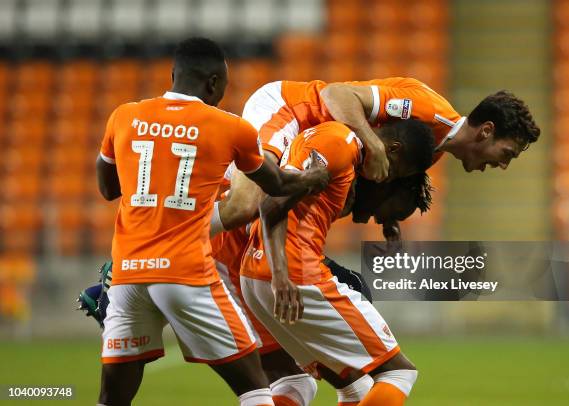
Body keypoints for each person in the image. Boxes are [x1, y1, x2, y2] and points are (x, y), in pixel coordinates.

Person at [94, 37, 329, 406]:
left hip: (127, 275)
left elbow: (108, 188)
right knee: (256, 389)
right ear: (215, 83)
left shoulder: (124, 115)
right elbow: (276, 185)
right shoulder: (229, 127)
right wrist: (314, 178)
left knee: (112, 399)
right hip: (186, 274)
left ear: (173, 75)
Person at [240, 118, 436, 406]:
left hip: (256, 275)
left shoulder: (338, 145)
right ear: (392, 149)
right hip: (295, 275)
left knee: (349, 387)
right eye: (393, 171)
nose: (384, 177)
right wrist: (282, 276)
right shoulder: (338, 141)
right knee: (398, 373)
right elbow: (272, 204)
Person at [215, 77, 540, 240]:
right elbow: (335, 94)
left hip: (310, 148)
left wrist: (389, 221)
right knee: (245, 205)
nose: (503, 165)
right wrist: (374, 144)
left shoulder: (432, 151)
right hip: (291, 111)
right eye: (507, 154)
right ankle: (169, 247)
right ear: (486, 131)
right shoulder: (427, 109)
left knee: (254, 223)